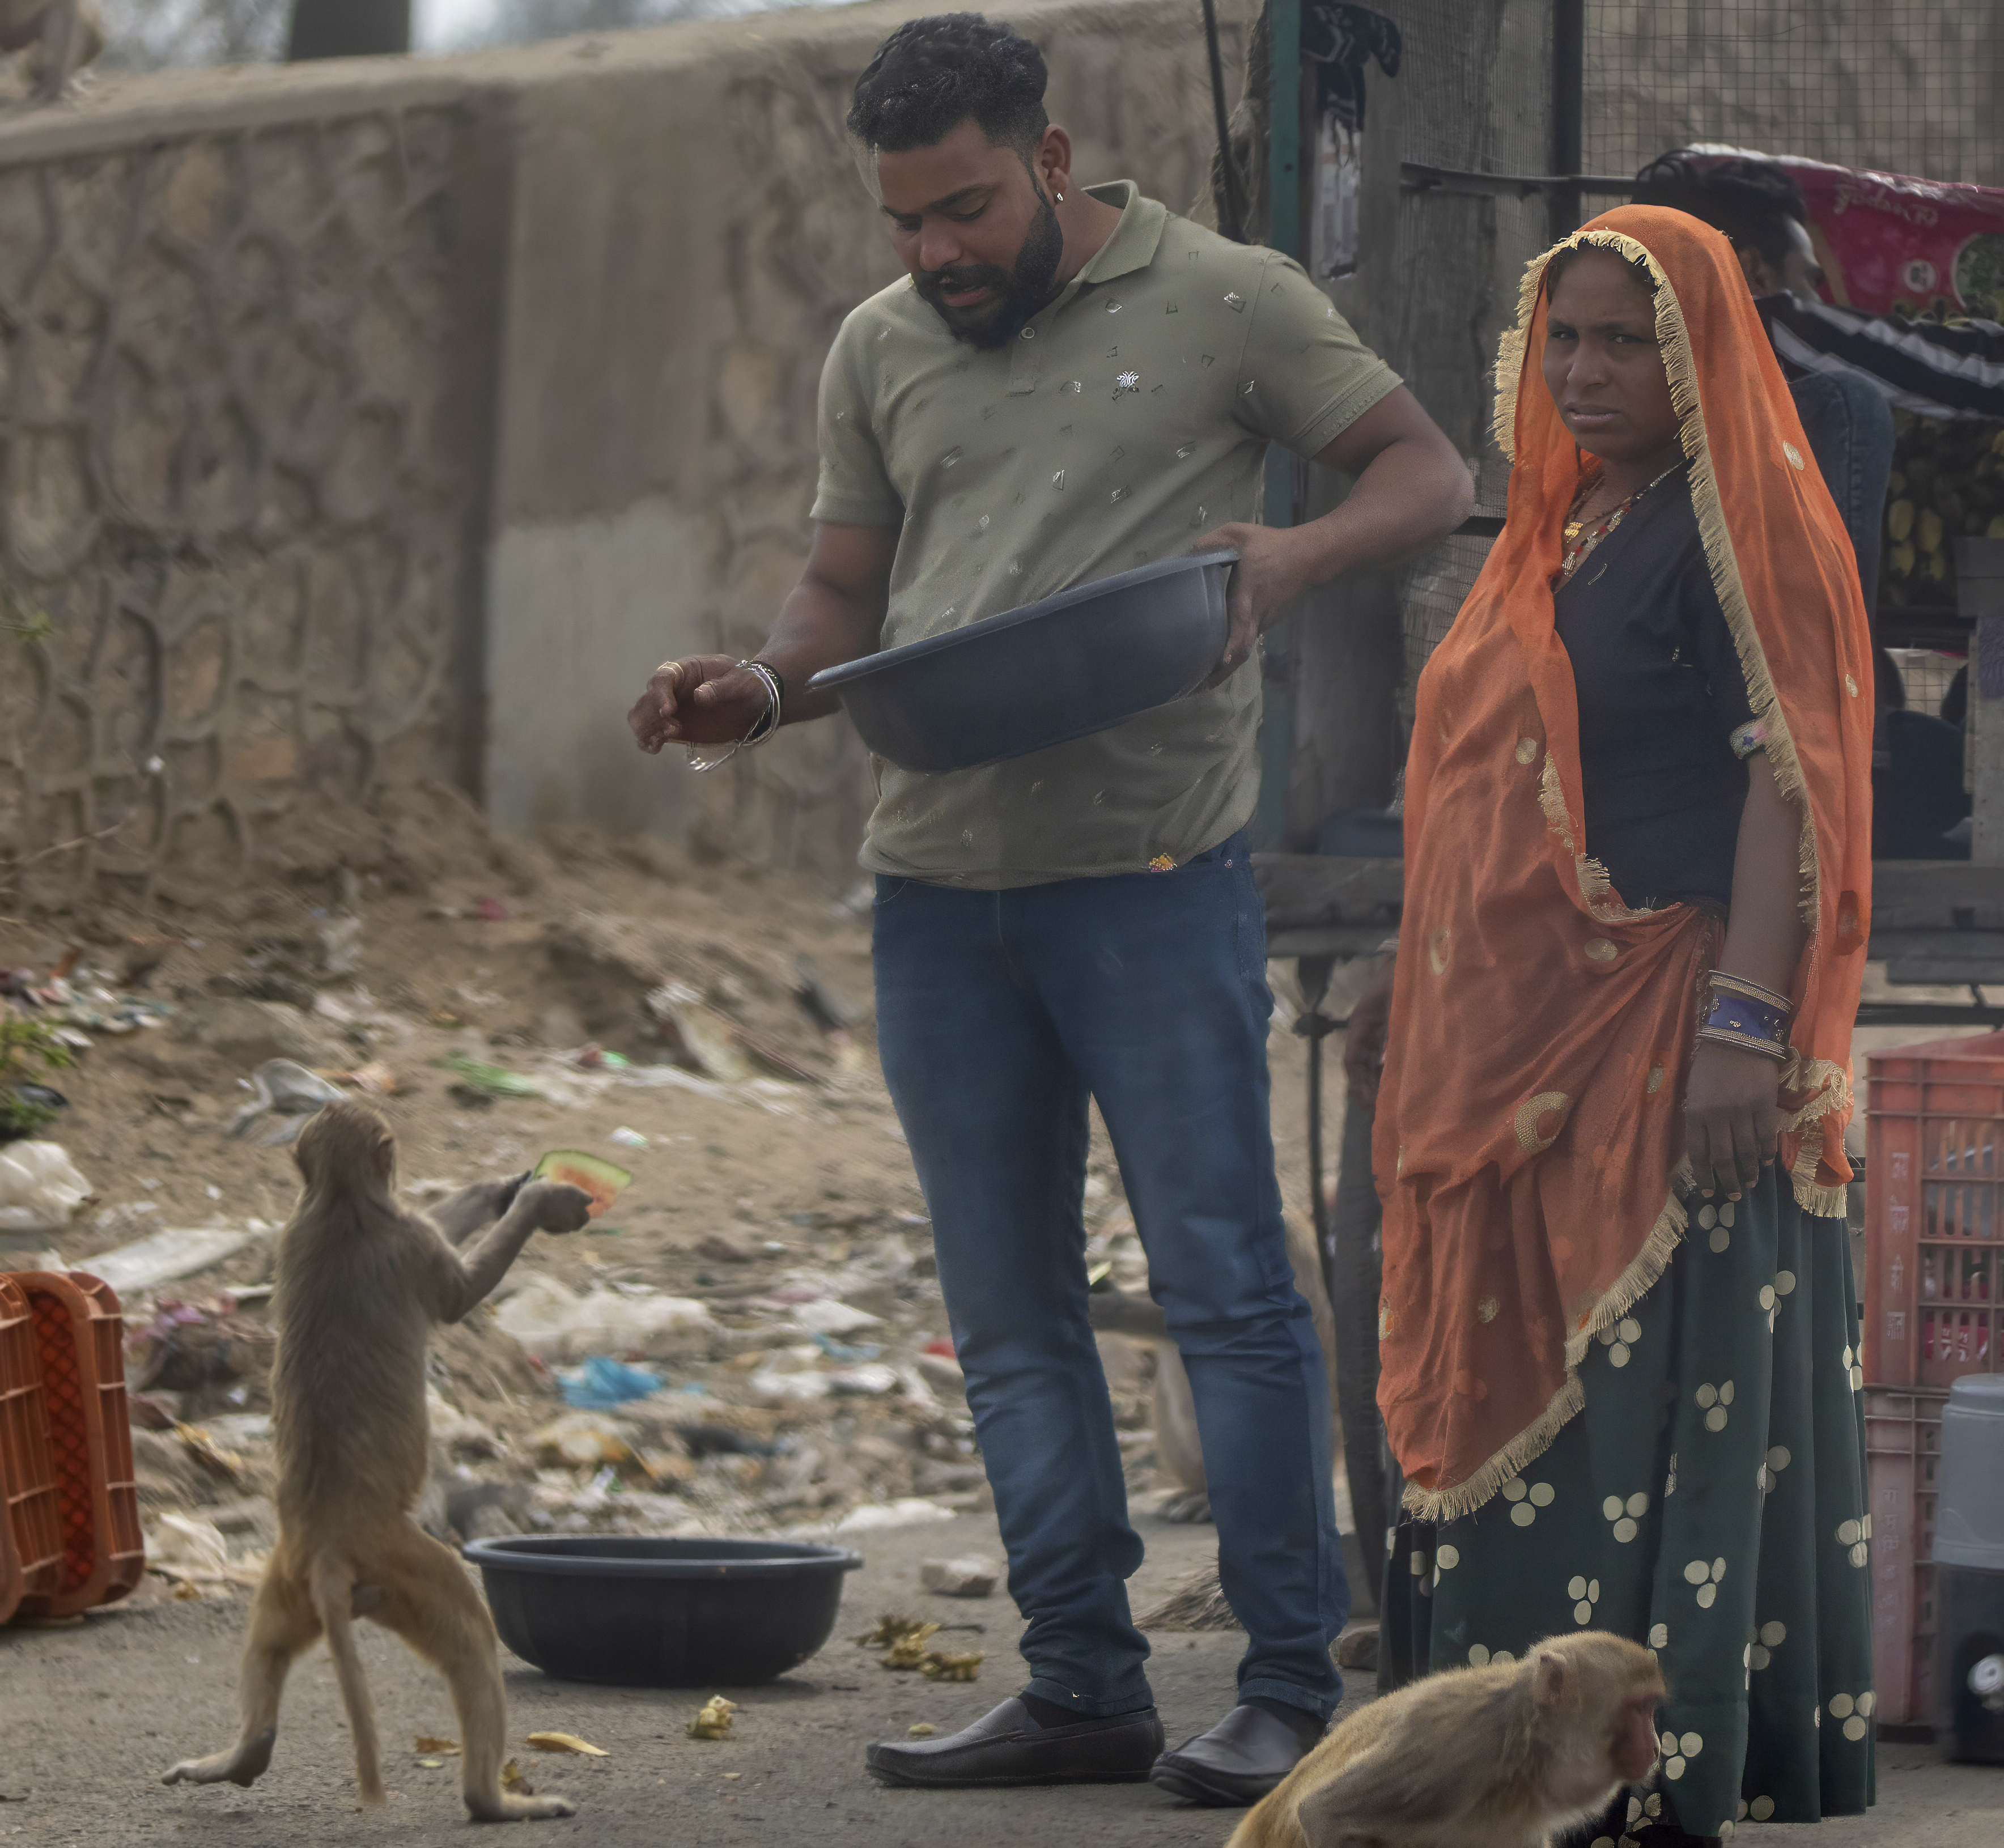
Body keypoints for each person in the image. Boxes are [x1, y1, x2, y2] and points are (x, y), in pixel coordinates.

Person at [625, 11, 1472, 1808]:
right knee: (1008, 1312)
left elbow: (1429, 474)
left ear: (1055, 161)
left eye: (967, 210)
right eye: (907, 224)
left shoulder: (1226, 297)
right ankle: (1081, 1683)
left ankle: (1285, 1687)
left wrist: (1289, 557)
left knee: (1227, 1288)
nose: (937, 255)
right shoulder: (883, 346)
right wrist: (764, 691)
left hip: (1154, 880)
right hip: (937, 890)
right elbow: (844, 584)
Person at [1356, 206, 1875, 1846]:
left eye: (1620, 340)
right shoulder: (1566, 524)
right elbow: (1480, 788)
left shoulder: (1737, 527)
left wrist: (1745, 1024)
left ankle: (1642, 1770)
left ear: (1697, 354)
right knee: (1512, 1375)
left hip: (1659, 1019)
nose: (1580, 371)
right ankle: (1496, 1760)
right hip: (1511, 1037)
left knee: (1629, 1403)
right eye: (1560, 337)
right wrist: (1419, 961)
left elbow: (1784, 781)